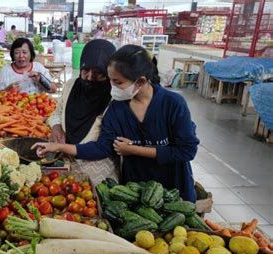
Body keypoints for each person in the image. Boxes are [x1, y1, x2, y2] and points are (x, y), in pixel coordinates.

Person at [34, 45, 199, 202]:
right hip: (135, 191)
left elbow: (187, 150)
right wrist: (59, 147)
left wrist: (133, 149)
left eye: (118, 82)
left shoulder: (172, 104)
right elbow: (102, 147)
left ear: (140, 81)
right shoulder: (117, 108)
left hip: (175, 190)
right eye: (111, 81)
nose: (112, 88)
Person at [47, 39, 118, 184]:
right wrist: (56, 126)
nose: (90, 77)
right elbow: (57, 112)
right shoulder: (71, 85)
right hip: (65, 159)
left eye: (98, 73)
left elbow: (105, 146)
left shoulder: (115, 97)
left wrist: (64, 147)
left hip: (98, 165)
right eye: (85, 70)